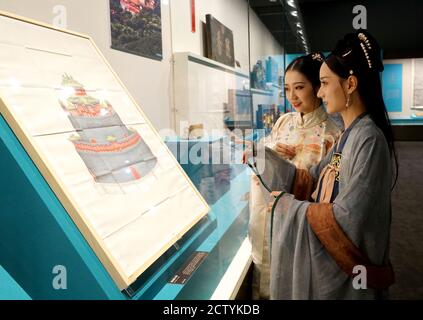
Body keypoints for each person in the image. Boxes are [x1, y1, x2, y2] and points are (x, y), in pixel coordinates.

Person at [265, 30, 397, 299]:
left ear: (350, 85)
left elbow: (349, 218)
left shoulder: (368, 139)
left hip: (350, 276)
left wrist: (286, 206)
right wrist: (265, 159)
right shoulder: (348, 136)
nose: (320, 91)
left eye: (324, 83)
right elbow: (312, 178)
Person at [246, 53, 341, 299]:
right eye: (287, 89)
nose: (292, 97)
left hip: (299, 224)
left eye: (299, 87)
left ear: (318, 87)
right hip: (267, 218)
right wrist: (270, 154)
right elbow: (261, 164)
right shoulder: (283, 122)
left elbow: (330, 191)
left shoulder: (332, 135)